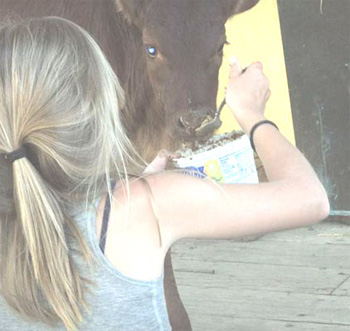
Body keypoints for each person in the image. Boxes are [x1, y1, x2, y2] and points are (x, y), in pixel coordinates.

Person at [0, 17, 330, 331]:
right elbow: (309, 199)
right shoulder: (148, 206)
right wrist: (252, 115)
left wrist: (135, 185)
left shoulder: (139, 201)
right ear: (99, 105)